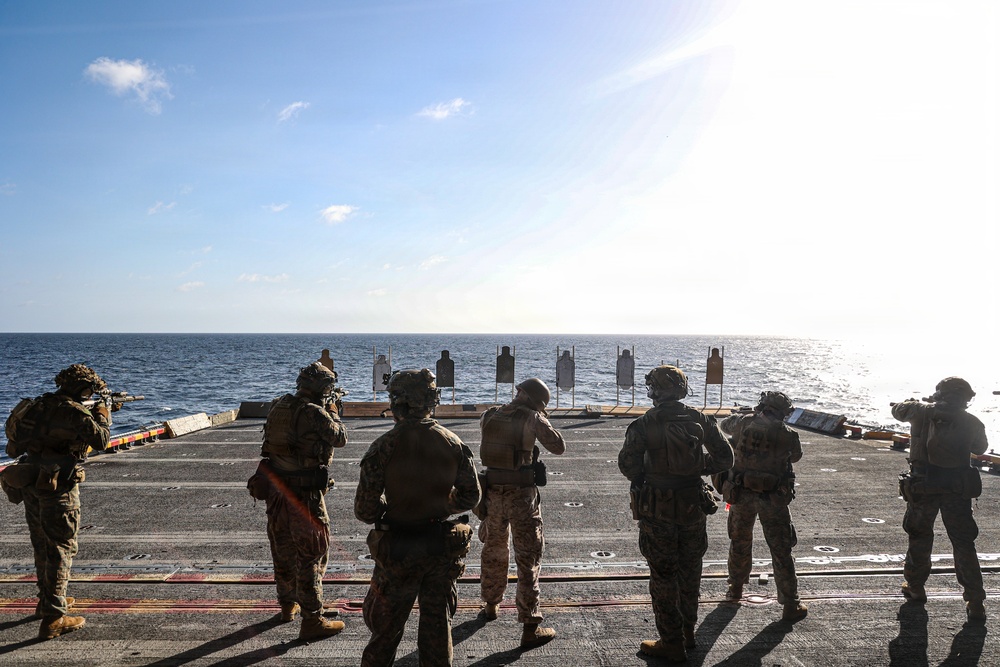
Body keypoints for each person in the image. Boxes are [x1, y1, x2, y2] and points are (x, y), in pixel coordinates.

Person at [354, 369, 480, 666]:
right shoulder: (452, 442)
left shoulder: (384, 446)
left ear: (397, 403)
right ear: (430, 401)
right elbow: (470, 496)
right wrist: (441, 504)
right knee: (437, 628)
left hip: (398, 550)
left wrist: (392, 506)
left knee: (385, 632)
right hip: (439, 549)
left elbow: (365, 510)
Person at [618, 365, 733, 662]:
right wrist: (697, 466)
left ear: (655, 390)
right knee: (690, 570)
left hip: (658, 510)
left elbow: (628, 465)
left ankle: (671, 642)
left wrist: (653, 473)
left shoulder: (644, 424)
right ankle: (688, 632)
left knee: (663, 575)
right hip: (693, 505)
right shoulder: (701, 419)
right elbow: (725, 458)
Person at [1, 364, 111, 640]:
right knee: (62, 547)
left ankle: (47, 601)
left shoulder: (39, 405)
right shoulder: (74, 412)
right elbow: (102, 440)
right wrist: (103, 414)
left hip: (31, 481)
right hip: (57, 487)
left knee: (41, 544)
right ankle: (54, 618)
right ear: (83, 389)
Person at [253, 362, 347, 640]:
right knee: (311, 554)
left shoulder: (279, 405)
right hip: (304, 495)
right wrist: (334, 412)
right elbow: (340, 438)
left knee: (282, 549)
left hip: (276, 491)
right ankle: (312, 619)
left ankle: (287, 606)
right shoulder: (313, 412)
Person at [892, 377, 989, 624]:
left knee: (920, 535)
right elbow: (980, 448)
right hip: (956, 488)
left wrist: (916, 403)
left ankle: (915, 586)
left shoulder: (919, 411)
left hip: (923, 486)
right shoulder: (971, 421)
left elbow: (897, 411)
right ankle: (975, 600)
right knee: (963, 542)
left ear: (939, 393)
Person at [478, 378, 565, 648]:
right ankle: (530, 626)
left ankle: (491, 605)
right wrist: (540, 418)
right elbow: (558, 446)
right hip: (521, 497)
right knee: (528, 558)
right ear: (533, 400)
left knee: (494, 549)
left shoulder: (489, 415)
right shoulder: (532, 417)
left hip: (492, 495)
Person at [717, 391, 808, 622]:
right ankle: (790, 603)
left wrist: (747, 415)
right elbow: (795, 457)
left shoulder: (742, 423)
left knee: (740, 542)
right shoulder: (788, 434)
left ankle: (735, 588)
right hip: (772, 498)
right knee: (781, 549)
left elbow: (724, 425)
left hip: (741, 494)